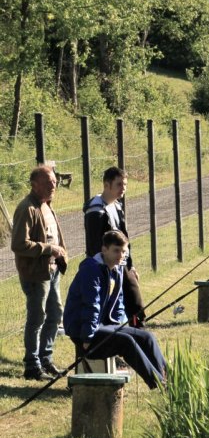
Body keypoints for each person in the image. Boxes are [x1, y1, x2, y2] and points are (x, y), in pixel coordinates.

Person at [63, 230, 166, 389]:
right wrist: (87, 338)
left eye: (124, 251)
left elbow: (118, 304)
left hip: (103, 326)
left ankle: (171, 379)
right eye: (116, 250)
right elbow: (91, 306)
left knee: (146, 336)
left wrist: (120, 326)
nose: (121, 255)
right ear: (104, 250)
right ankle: (160, 384)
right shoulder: (91, 270)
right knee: (127, 342)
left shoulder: (116, 269)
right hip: (82, 331)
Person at [11, 165, 68, 381]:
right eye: (48, 183)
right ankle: (32, 366)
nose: (53, 185)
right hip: (35, 274)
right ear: (35, 185)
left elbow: (55, 237)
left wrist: (60, 254)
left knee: (55, 314)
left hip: (52, 271)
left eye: (55, 182)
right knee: (37, 318)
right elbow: (19, 244)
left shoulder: (46, 205)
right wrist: (48, 249)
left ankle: (46, 359)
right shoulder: (27, 208)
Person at [84, 167, 145, 326]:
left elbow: (124, 238)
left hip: (121, 262)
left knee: (133, 297)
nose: (123, 188)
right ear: (107, 185)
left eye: (124, 184)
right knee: (108, 303)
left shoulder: (117, 206)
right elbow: (94, 246)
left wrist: (130, 265)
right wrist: (105, 269)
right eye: (119, 184)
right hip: (106, 266)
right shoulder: (96, 210)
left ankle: (137, 327)